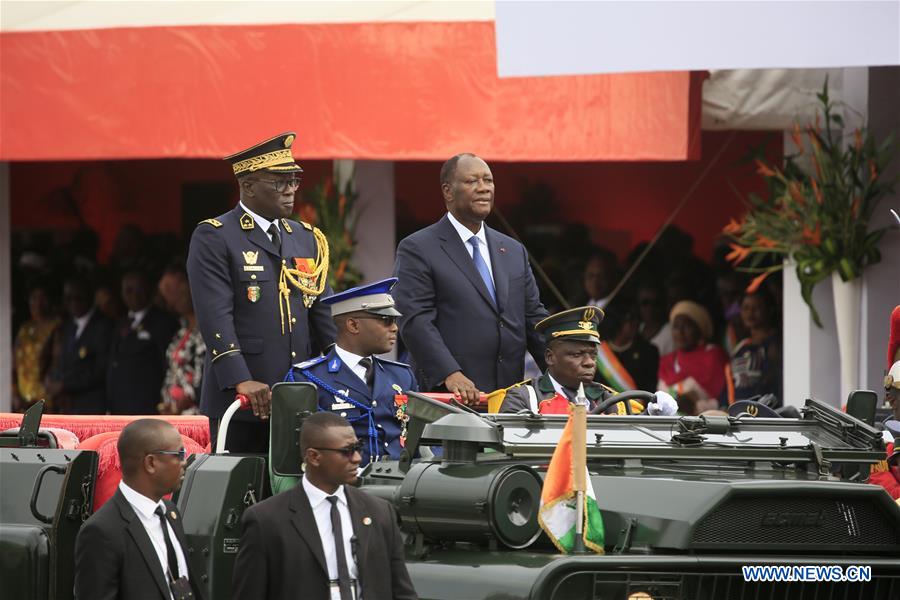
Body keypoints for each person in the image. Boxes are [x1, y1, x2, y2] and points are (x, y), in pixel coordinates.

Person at [187, 132, 336, 452]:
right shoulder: (216, 236)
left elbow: (322, 311)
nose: (290, 190)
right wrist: (240, 378)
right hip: (243, 397)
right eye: (279, 182)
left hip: (300, 395)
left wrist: (343, 367)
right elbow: (215, 315)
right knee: (243, 481)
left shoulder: (305, 238)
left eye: (293, 180)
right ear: (248, 185)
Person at [393, 153, 548, 403]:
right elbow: (415, 319)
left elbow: (533, 318)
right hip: (449, 397)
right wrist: (449, 373)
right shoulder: (418, 248)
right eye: (472, 181)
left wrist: (561, 374)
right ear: (448, 191)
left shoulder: (512, 250)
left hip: (509, 398)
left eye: (488, 180)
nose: (484, 188)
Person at [232, 412, 417, 600]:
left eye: (358, 448)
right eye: (346, 451)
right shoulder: (266, 521)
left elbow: (402, 591)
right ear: (314, 457)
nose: (357, 458)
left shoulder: (380, 512)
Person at [286, 278, 417, 465]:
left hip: (400, 477)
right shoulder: (308, 378)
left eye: (394, 321)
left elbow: (415, 438)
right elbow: (295, 452)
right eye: (386, 320)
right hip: (344, 478)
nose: (395, 328)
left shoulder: (402, 376)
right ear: (353, 325)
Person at [74, 419, 205, 600]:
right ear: (150, 463)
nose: (184, 462)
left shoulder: (170, 513)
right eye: (179, 454)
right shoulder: (102, 531)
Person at [498, 306, 677, 416]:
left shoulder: (609, 399)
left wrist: (651, 414)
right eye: (577, 355)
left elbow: (631, 438)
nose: (589, 362)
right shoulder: (524, 398)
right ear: (550, 357)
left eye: (593, 355)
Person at [107, 270, 179, 414]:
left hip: (147, 404)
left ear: (148, 291)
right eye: (128, 290)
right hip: (120, 405)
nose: (134, 295)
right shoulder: (121, 323)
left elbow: (166, 363)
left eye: (139, 289)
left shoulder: (162, 322)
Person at [46, 278, 114, 414]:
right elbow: (63, 361)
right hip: (67, 406)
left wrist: (64, 384)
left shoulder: (103, 326)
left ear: (89, 297)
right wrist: (52, 379)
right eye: (68, 299)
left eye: (78, 298)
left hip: (91, 406)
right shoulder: (67, 326)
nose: (73, 303)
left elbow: (100, 369)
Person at [657, 300, 729, 405]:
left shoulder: (713, 356)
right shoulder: (667, 362)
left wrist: (694, 406)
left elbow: (723, 400)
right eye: (676, 326)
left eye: (687, 326)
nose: (680, 332)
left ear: (699, 329)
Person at [158, 265, 206, 415]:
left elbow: (203, 376)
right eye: (167, 296)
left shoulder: (207, 330)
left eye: (173, 292)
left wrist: (181, 403)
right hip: (172, 413)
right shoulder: (181, 331)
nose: (172, 301)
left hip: (194, 413)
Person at [13, 282, 61, 411]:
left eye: (42, 298)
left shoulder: (56, 327)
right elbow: (14, 364)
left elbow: (57, 362)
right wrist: (15, 394)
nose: (38, 303)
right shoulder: (25, 329)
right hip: (22, 398)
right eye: (34, 298)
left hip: (45, 399)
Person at [729, 289, 782, 404]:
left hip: (761, 409)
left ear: (769, 310)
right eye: (746, 308)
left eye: (756, 307)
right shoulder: (741, 347)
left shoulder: (776, 344)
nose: (750, 313)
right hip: (738, 410)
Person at [596, 300, 659, 393]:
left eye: (637, 318)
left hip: (637, 401)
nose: (636, 322)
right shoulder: (599, 352)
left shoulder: (648, 351)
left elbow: (650, 388)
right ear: (617, 321)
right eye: (630, 319)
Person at [636, 280, 674, 357]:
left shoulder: (671, 333)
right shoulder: (636, 329)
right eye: (645, 303)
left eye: (656, 303)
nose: (650, 308)